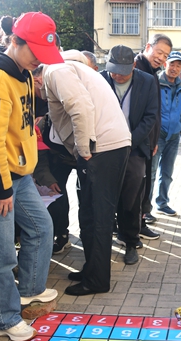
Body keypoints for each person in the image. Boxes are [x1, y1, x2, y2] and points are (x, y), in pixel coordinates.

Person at [0, 12, 61, 341]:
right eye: (34, 51)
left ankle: (29, 291)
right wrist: (2, 187)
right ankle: (5, 319)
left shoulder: (22, 74)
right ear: (14, 41)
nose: (38, 60)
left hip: (19, 174)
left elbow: (21, 127)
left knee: (41, 227)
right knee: (1, 253)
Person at [39, 49, 131, 296]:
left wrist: (83, 150)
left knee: (98, 216)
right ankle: (91, 269)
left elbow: (80, 107)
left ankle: (97, 280)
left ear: (36, 75)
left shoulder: (56, 70)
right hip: (105, 146)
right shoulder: (67, 68)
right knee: (88, 213)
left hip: (103, 148)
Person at [101, 45, 159, 263]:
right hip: (105, 147)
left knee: (131, 197)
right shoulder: (100, 79)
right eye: (113, 70)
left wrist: (129, 141)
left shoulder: (147, 81)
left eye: (122, 72)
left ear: (134, 65)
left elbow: (150, 116)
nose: (117, 76)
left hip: (133, 147)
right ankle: (104, 240)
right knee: (105, 196)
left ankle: (131, 241)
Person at [135, 34, 172, 228]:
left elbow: (154, 112)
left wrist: (154, 140)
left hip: (148, 141)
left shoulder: (152, 73)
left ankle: (140, 221)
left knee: (145, 182)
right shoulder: (136, 69)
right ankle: (134, 226)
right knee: (136, 185)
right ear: (148, 46)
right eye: (159, 52)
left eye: (165, 56)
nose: (161, 58)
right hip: (136, 142)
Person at [152, 51, 181, 216]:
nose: (175, 68)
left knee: (167, 173)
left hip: (174, 137)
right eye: (172, 64)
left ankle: (162, 203)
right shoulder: (155, 81)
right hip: (157, 135)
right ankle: (145, 209)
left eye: (178, 65)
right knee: (151, 172)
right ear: (165, 64)